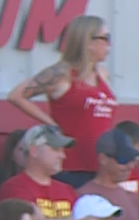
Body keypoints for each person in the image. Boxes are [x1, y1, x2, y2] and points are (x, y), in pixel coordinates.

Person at [7, 14, 117, 187]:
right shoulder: (62, 74)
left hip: (101, 168)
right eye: (105, 38)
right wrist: (51, 124)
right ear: (88, 42)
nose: (109, 44)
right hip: (71, 166)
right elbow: (17, 95)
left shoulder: (103, 74)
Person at [0, 125, 78, 220]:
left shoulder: (67, 189)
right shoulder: (14, 188)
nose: (62, 156)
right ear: (34, 151)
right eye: (55, 149)